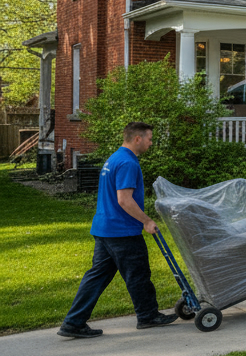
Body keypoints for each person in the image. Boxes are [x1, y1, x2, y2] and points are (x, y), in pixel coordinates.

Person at [58, 122, 176, 338]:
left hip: (104, 228)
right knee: (138, 273)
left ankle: (73, 323)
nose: (151, 143)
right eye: (149, 139)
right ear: (137, 138)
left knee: (97, 276)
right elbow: (124, 200)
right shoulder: (128, 163)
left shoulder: (114, 158)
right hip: (122, 231)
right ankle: (148, 315)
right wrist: (146, 221)